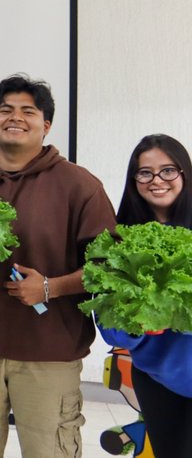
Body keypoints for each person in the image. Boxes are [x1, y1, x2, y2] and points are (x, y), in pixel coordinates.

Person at [0, 74, 116, 458]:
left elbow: (109, 268)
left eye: (28, 111)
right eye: (5, 110)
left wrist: (51, 287)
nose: (15, 118)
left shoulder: (79, 186)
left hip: (50, 354)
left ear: (46, 124)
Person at [97, 134, 192, 457]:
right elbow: (109, 326)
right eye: (145, 172)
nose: (157, 181)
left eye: (168, 171)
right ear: (134, 179)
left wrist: (177, 315)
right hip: (157, 379)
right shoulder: (119, 243)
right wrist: (142, 323)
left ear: (184, 174)